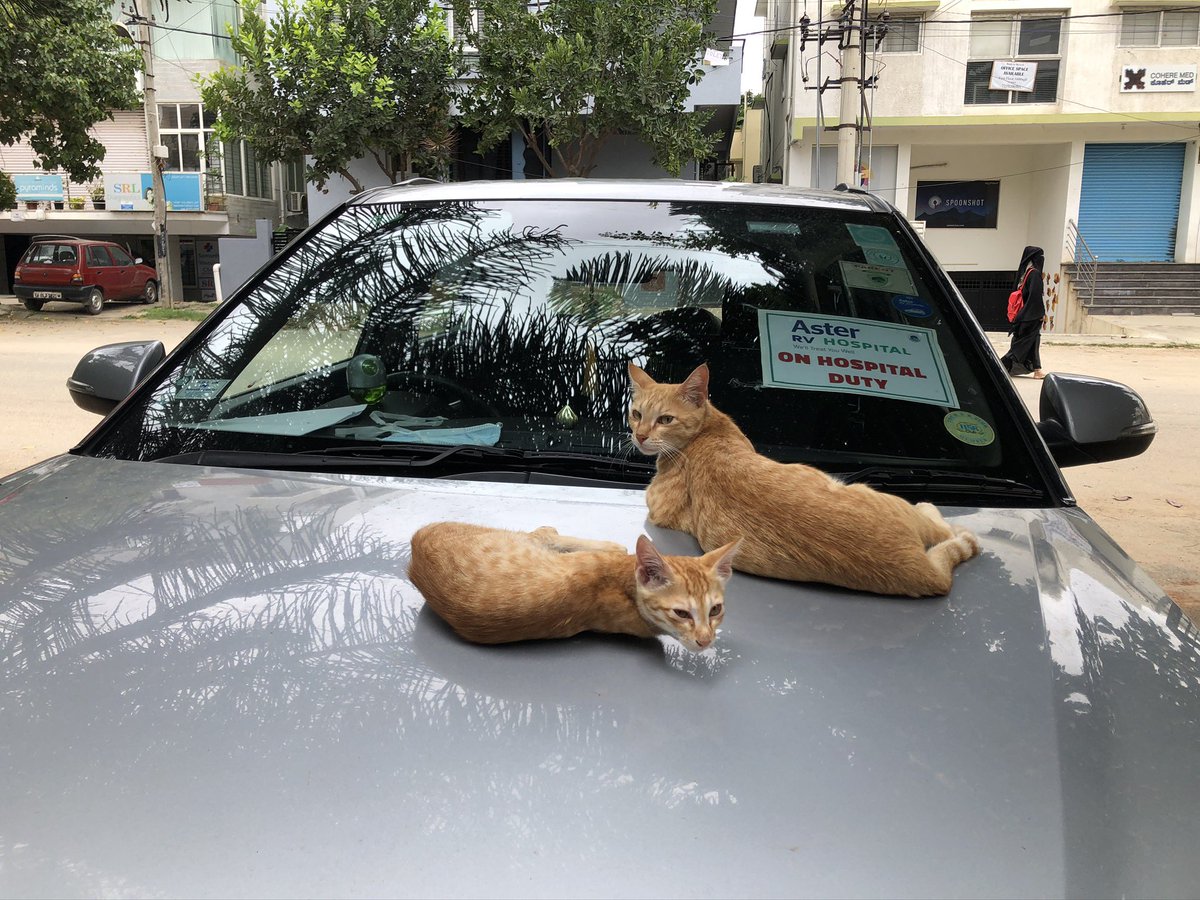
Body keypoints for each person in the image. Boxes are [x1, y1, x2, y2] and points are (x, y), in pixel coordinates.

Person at [1001, 245, 1047, 379]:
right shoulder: (1035, 274)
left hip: (1024, 315)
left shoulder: (1025, 274)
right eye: (1040, 257)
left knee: (1032, 342)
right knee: (1021, 346)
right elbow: (1035, 296)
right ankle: (1000, 366)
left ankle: (1037, 370)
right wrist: (1040, 314)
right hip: (1031, 316)